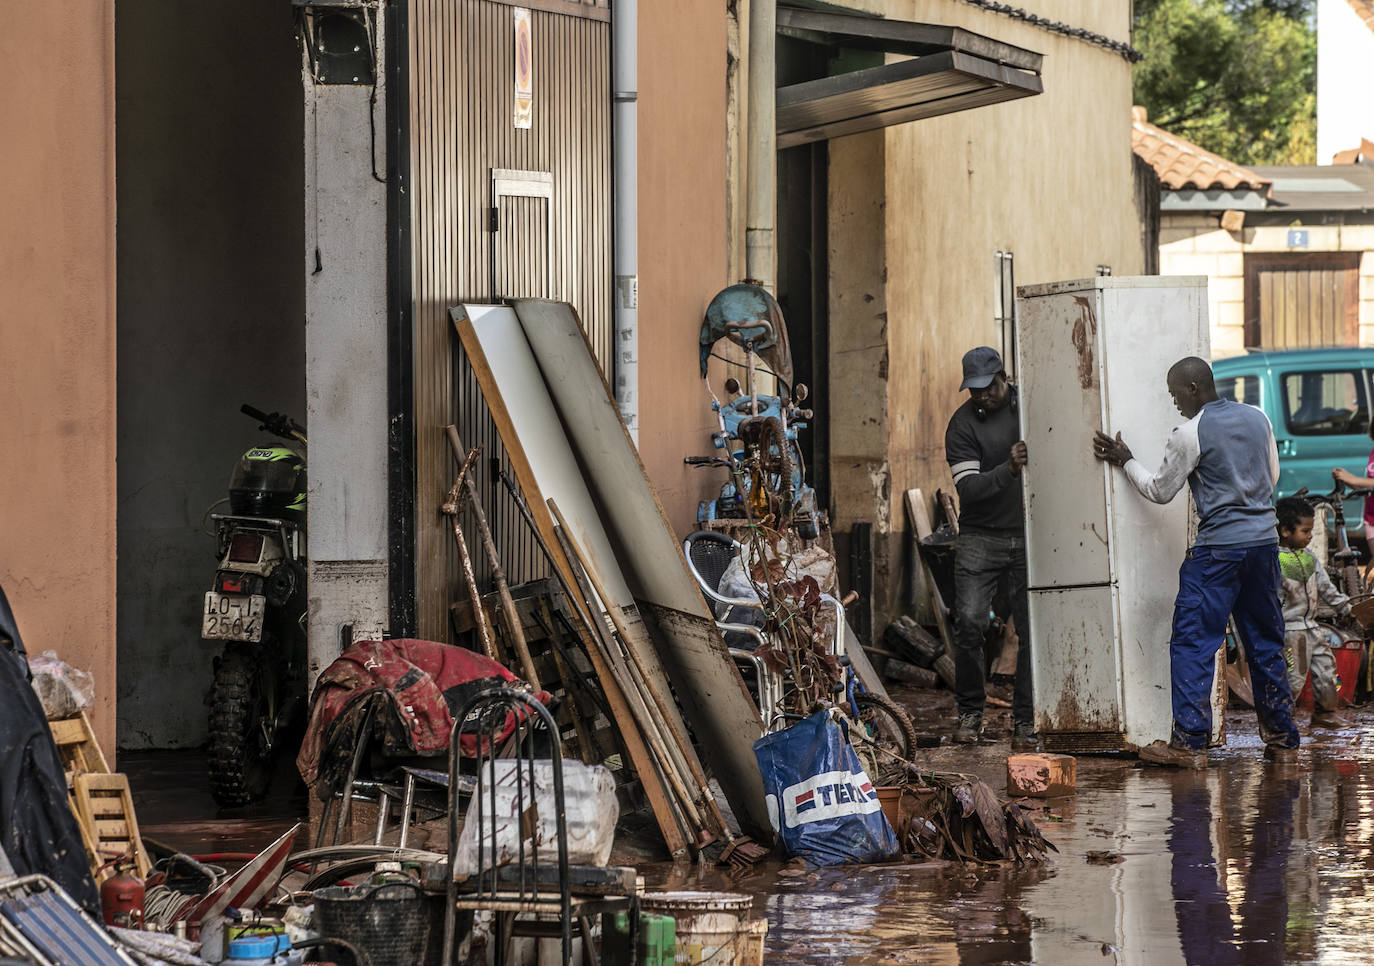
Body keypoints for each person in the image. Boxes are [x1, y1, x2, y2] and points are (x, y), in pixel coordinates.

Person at [1092, 356, 1300, 768]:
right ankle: (1282, 741)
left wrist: (1125, 459)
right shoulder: (1259, 418)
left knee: (1194, 643)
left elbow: (1160, 491)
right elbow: (1271, 477)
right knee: (1265, 644)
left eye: (1175, 394)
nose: (1176, 404)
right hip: (1262, 547)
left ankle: (1189, 744)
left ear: (1192, 388)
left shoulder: (1190, 433)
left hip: (1217, 553)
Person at [944, 346, 1036, 750]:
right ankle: (970, 713)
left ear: (1004, 377)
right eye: (973, 390)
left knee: (1033, 631)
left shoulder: (1029, 408)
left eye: (986, 388)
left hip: (1030, 534)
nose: (980, 396)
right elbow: (968, 488)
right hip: (980, 536)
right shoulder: (961, 426)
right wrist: (1008, 469)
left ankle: (1026, 721)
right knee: (968, 624)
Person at [1275, 496, 1348, 725]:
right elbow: (1272, 600)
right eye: (1305, 531)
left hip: (1313, 628)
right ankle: (1282, 720)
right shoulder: (1275, 560)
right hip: (1291, 631)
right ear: (1285, 531)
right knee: (1294, 678)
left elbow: (1327, 588)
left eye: (1311, 531)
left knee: (1328, 670)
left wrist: (1345, 606)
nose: (1310, 537)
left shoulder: (1310, 558)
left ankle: (1325, 712)